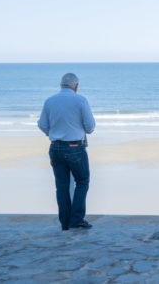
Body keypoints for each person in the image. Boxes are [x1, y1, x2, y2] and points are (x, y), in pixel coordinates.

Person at [38, 73, 96, 230]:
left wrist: (54, 134)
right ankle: (76, 219)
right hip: (75, 148)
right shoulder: (80, 100)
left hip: (55, 147)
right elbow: (90, 127)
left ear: (61, 85)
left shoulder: (49, 101)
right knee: (82, 181)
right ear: (76, 86)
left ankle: (65, 222)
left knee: (62, 185)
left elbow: (42, 124)